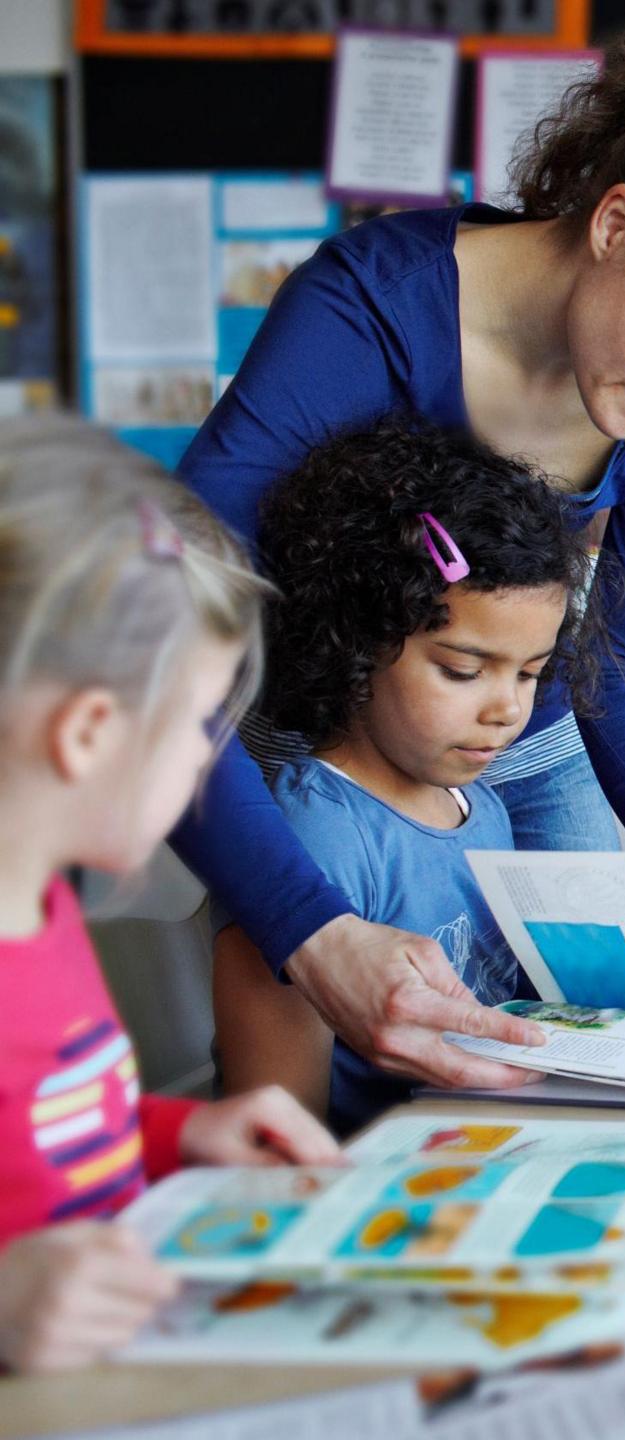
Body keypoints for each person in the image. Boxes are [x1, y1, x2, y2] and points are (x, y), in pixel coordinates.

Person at [170, 33, 625, 1091]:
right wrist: (311, 932)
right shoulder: (366, 307)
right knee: (328, 1030)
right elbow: (172, 637)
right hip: (310, 715)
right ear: (615, 224)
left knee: (585, 1056)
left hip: (530, 730)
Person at [0, 420, 339, 1373]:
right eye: (201, 722)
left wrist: (180, 1133)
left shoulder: (44, 909)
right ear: (88, 733)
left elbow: (52, 1138)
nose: (208, 757)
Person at [213, 419, 606, 1133]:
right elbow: (275, 1132)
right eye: (462, 671)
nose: (506, 709)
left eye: (530, 674)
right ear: (360, 642)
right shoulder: (315, 832)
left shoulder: (480, 805)